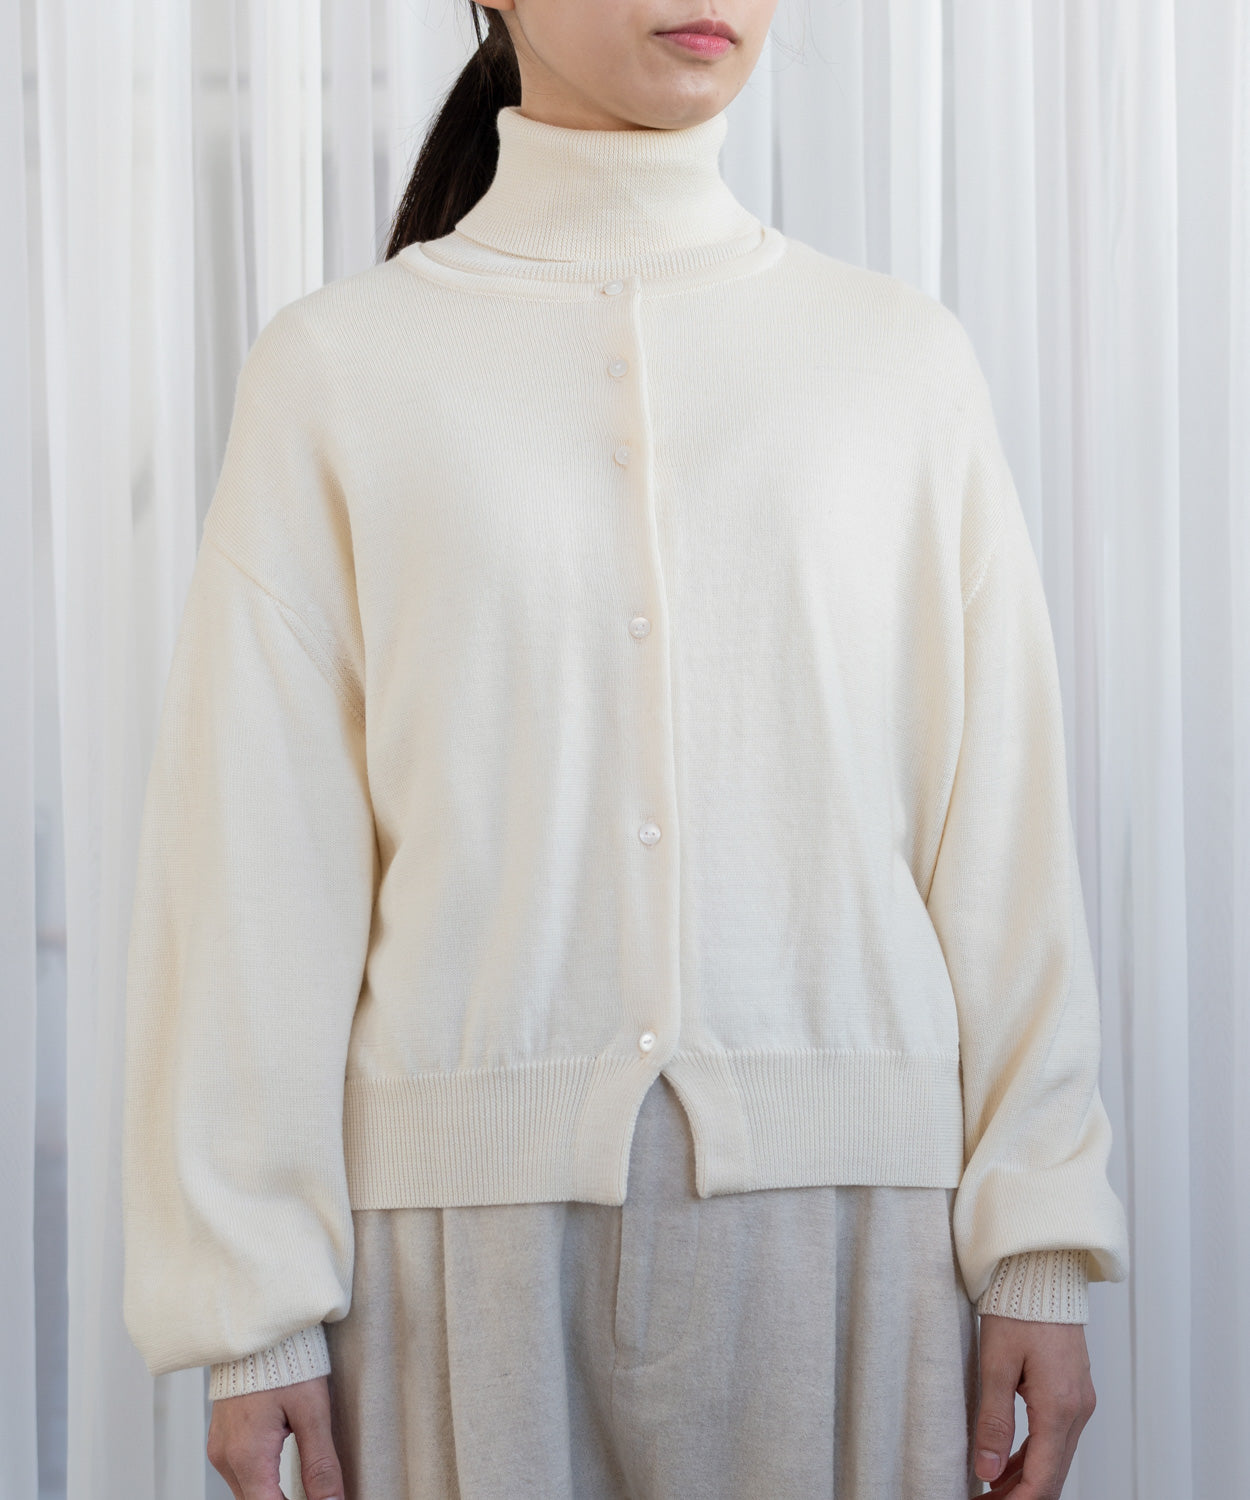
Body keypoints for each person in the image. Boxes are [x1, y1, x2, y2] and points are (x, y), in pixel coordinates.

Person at [121, 2, 1130, 1497]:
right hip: (457, 1261)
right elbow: (252, 853)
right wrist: (250, 1311)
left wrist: (1037, 1241)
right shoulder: (338, 369)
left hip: (859, 1240)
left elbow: (1002, 826)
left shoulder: (897, 363)